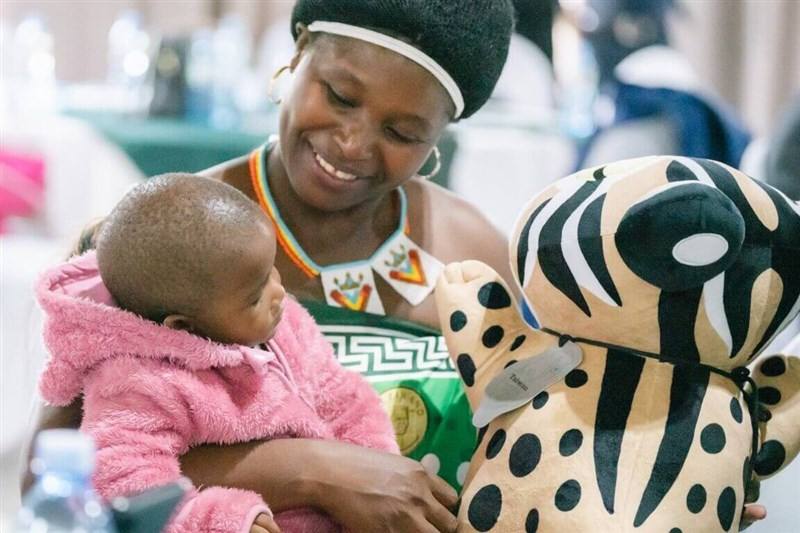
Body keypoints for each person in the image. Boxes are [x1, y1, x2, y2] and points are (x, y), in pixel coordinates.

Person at [23, 0, 764, 530]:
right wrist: (313, 469)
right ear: (296, 51)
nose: (351, 142)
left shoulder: (472, 254)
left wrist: (670, 473)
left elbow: (555, 418)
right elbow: (59, 481)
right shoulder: (162, 237)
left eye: (403, 131)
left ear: (444, 135)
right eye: (338, 93)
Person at [36, 173, 402, 533]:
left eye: (271, 270)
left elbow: (343, 396)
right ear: (184, 326)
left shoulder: (287, 325)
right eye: (255, 296)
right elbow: (126, 485)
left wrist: (377, 467)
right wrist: (229, 519)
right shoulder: (141, 383)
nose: (279, 294)